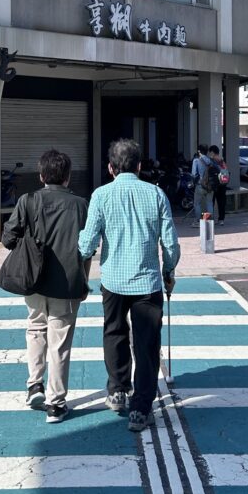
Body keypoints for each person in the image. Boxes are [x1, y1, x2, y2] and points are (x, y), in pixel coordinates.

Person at [78, 138, 180, 433]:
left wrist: (82, 252)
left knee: (114, 332)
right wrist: (168, 270)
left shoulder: (101, 195)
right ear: (139, 166)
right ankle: (141, 408)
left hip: (113, 280)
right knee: (147, 344)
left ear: (110, 168)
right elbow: (170, 243)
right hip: (147, 281)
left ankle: (117, 390)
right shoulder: (156, 194)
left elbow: (87, 242)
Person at [1, 149, 89, 423]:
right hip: (68, 282)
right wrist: (84, 280)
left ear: (41, 176)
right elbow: (88, 247)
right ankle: (56, 404)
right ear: (67, 176)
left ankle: (34, 385)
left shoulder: (27, 200)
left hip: (34, 280)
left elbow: (8, 238)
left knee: (36, 329)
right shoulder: (80, 205)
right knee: (59, 343)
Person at [191, 143, 215, 225]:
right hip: (210, 185)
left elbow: (194, 174)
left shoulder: (196, 160)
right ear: (207, 151)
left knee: (197, 204)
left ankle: (198, 221)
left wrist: (193, 182)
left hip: (200, 185)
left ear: (199, 151)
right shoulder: (210, 160)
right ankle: (209, 222)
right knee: (209, 203)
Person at [208, 145, 229, 223]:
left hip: (213, 184)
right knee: (221, 202)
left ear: (212, 152)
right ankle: (221, 220)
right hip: (222, 184)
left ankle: (210, 219)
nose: (209, 154)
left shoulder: (211, 161)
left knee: (210, 202)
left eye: (210, 152)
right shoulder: (222, 161)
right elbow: (226, 171)